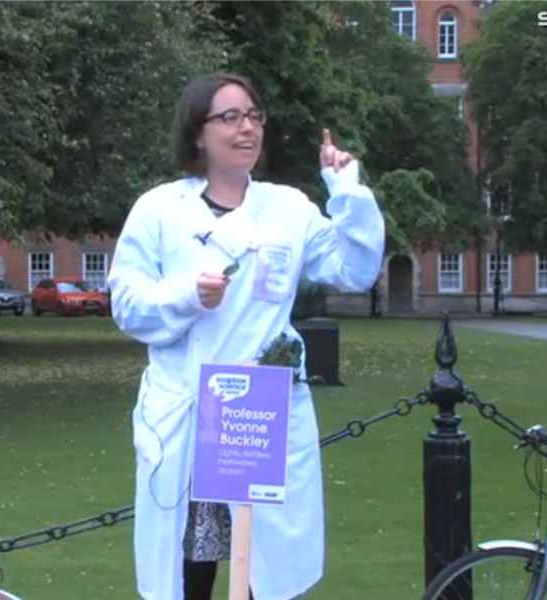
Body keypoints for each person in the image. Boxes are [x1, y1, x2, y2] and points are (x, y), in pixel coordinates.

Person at [107, 72, 386, 600]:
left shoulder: (288, 209)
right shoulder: (160, 209)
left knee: (261, 567)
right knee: (191, 567)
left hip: (255, 417)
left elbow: (355, 269)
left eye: (254, 116)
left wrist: (346, 191)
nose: (247, 128)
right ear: (197, 132)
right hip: (188, 417)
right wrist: (187, 295)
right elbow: (127, 302)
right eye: (230, 117)